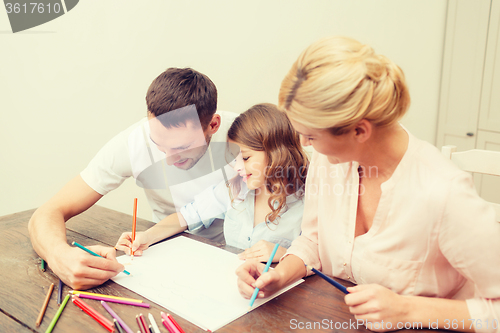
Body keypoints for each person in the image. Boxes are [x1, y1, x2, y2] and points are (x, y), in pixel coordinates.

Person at [236, 36, 500, 332]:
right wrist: (279, 275)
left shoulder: (444, 192)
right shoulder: (330, 161)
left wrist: (409, 309)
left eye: (310, 137)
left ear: (359, 130)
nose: (304, 145)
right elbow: (313, 240)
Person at [28, 67, 238, 290]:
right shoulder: (133, 143)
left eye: (182, 147)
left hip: (240, 257)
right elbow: (47, 213)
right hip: (166, 260)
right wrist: (60, 256)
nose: (167, 160)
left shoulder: (250, 136)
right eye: (159, 145)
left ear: (213, 125)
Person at [115, 103, 309, 263]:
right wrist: (146, 237)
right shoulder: (234, 189)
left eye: (247, 158)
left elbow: (326, 262)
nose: (237, 167)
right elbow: (186, 216)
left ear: (277, 153)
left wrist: (285, 255)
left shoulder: (308, 201)